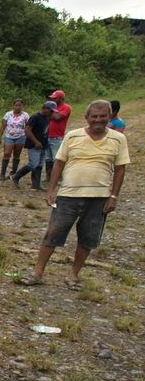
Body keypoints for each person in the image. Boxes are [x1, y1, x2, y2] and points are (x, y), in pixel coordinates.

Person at [19, 100, 129, 289]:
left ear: (110, 117)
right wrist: (52, 190)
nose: (98, 120)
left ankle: (73, 275)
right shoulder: (72, 136)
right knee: (53, 233)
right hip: (68, 194)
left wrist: (113, 196)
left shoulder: (118, 139)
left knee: (87, 238)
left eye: (103, 116)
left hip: (99, 197)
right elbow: (59, 163)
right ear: (87, 118)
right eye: (94, 116)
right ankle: (37, 272)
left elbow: (120, 168)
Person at [12, 102, 54, 191]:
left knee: (39, 165)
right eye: (51, 111)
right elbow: (27, 130)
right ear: (45, 108)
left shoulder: (47, 118)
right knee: (33, 164)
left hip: (43, 144)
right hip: (34, 144)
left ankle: (36, 184)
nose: (52, 113)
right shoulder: (35, 117)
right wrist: (35, 142)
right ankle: (16, 176)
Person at [0, 99, 29, 181]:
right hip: (9, 136)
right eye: (16, 105)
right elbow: (3, 126)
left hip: (21, 136)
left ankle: (13, 173)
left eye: (19, 105)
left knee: (17, 154)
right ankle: (2, 174)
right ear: (13, 106)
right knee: (7, 153)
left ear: (22, 106)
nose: (17, 107)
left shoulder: (25, 115)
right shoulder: (8, 114)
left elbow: (28, 127)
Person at [45, 89, 71, 179]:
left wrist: (48, 113)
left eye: (55, 98)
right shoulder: (52, 108)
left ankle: (58, 177)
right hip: (47, 135)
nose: (53, 100)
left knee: (56, 158)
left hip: (57, 136)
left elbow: (58, 118)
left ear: (60, 98)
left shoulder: (66, 107)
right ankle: (48, 176)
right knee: (47, 158)